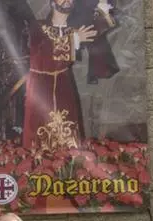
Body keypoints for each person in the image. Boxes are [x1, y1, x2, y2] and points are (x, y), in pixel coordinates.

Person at [20, 0, 117, 153]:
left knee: (67, 137)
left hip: (63, 87)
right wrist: (74, 39)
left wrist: (103, 6)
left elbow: (97, 27)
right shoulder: (38, 26)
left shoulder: (74, 30)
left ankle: (67, 165)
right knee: (39, 139)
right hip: (41, 90)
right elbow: (43, 53)